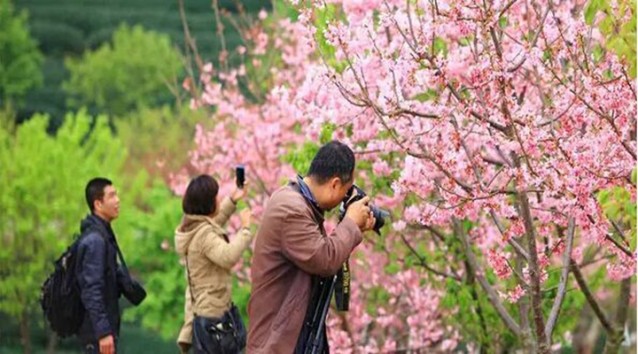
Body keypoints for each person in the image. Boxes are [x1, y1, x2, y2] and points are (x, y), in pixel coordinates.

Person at [247, 140, 375, 353]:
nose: (344, 199)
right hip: (278, 344)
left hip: (292, 338)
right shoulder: (292, 209)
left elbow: (322, 254)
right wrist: (351, 224)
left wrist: (354, 228)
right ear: (334, 184)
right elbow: (324, 259)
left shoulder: (299, 202)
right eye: (345, 192)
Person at [175, 174, 253, 354]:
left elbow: (213, 223)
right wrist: (245, 228)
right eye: (215, 197)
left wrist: (233, 199)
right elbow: (228, 256)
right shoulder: (203, 236)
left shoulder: (193, 227)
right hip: (213, 316)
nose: (218, 199)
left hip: (203, 312)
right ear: (208, 203)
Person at [76, 177, 125, 354]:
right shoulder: (95, 241)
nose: (117, 200)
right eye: (111, 196)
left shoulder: (102, 234)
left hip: (100, 333)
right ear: (98, 204)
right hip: (97, 337)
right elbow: (91, 290)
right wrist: (103, 332)